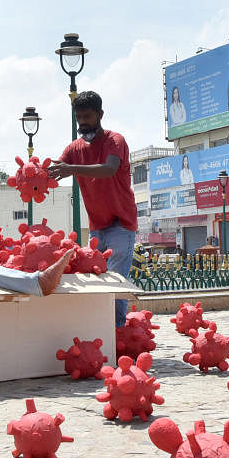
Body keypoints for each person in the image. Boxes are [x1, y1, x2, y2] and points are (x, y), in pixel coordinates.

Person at [49, 91, 138, 327]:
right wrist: (33, 176)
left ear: (100, 114)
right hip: (97, 225)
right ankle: (102, 328)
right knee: (97, 277)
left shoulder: (114, 141)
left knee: (116, 281)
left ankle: (115, 330)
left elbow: (109, 169)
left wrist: (73, 168)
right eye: (79, 118)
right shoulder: (74, 149)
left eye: (87, 116)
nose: (83, 122)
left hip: (121, 223)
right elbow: (56, 169)